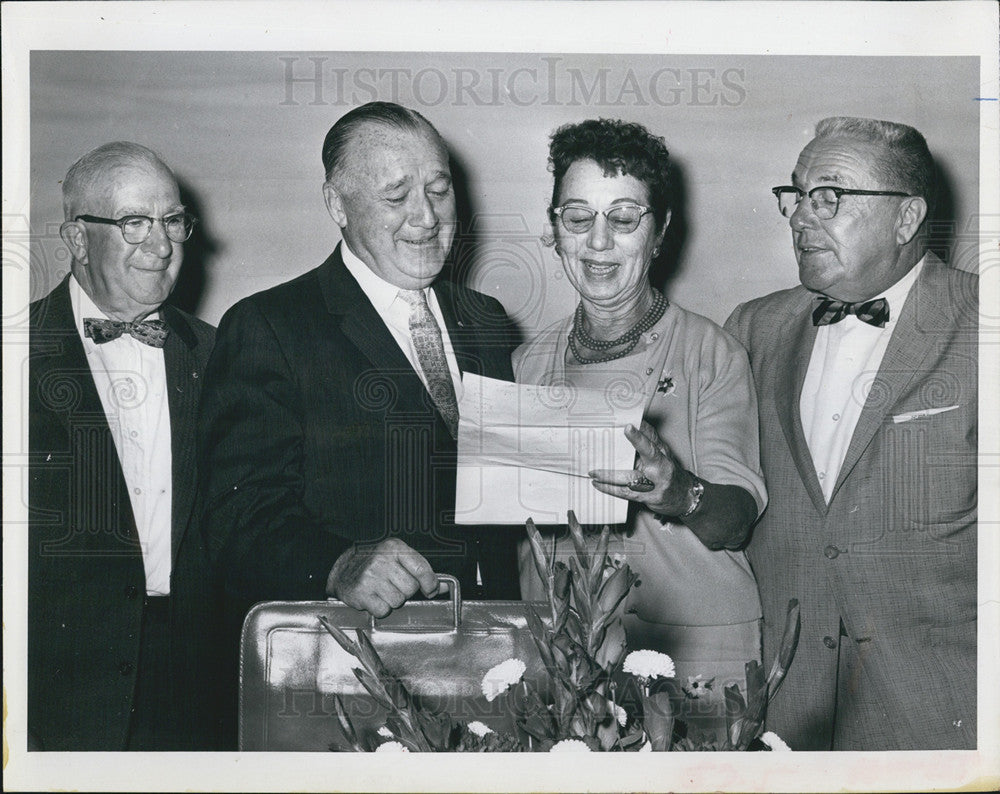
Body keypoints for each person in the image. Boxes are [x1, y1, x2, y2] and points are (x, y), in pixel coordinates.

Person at [199, 102, 521, 628]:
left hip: (496, 647)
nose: (426, 217)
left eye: (439, 191)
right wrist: (336, 564)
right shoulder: (269, 326)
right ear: (338, 204)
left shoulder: (484, 318)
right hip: (355, 663)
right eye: (396, 196)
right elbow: (236, 520)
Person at [725, 116, 977, 750]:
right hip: (784, 723)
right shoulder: (752, 329)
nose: (801, 218)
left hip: (943, 722)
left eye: (830, 196)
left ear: (906, 217)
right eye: (798, 195)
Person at [515, 118, 767, 743]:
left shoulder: (712, 351)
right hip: (567, 657)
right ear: (553, 230)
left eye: (624, 218)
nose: (599, 242)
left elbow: (737, 518)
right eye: (578, 217)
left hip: (694, 655)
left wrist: (679, 491)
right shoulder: (528, 364)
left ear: (659, 233)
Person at [28, 142, 223, 750]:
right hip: (51, 687)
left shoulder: (221, 356)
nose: (162, 247)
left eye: (173, 222)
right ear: (78, 239)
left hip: (194, 684)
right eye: (135, 223)